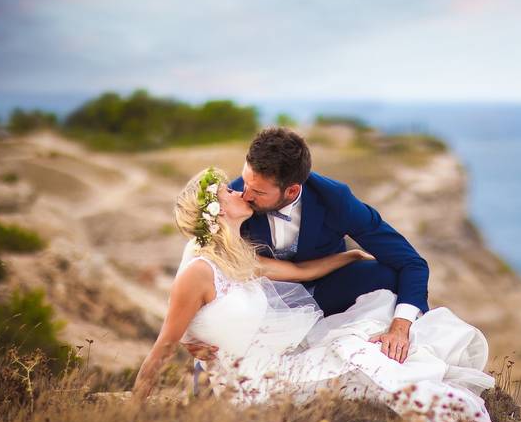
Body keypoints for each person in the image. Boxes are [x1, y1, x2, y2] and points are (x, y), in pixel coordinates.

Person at [133, 167, 498, 422]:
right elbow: (165, 343)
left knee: (359, 350)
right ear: (215, 214)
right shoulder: (199, 269)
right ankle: (441, 407)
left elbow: (299, 272)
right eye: (228, 192)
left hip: (275, 357)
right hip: (250, 383)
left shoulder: (237, 256)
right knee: (355, 368)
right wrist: (136, 408)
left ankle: (442, 402)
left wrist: (352, 254)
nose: (237, 189)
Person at [182, 126, 428, 365]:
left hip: (327, 291)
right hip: (261, 307)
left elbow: (411, 262)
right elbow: (202, 259)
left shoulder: (336, 200)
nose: (245, 194)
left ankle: (409, 350)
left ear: (291, 190)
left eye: (257, 191)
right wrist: (192, 332)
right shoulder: (231, 202)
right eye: (245, 181)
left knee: (389, 274)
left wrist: (400, 327)